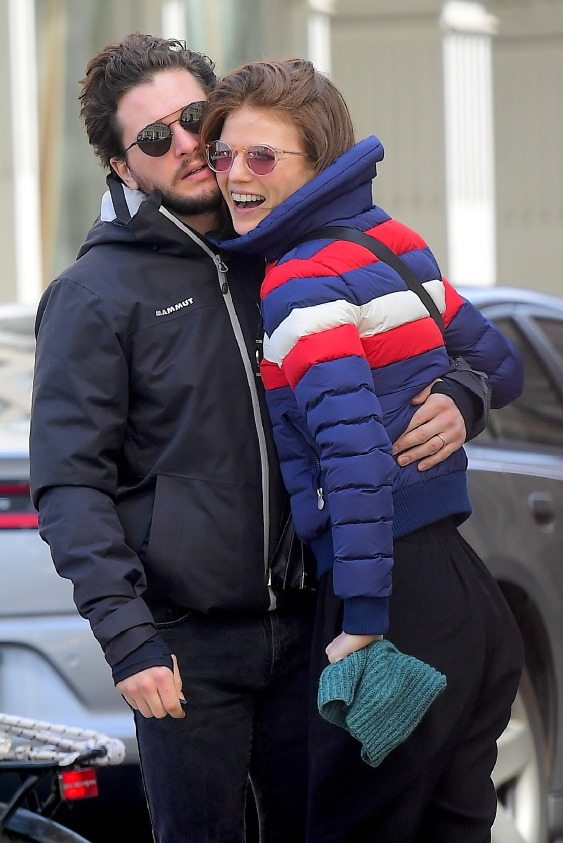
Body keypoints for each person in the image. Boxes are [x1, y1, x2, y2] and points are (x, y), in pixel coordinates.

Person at [29, 34, 486, 843]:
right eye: (154, 137)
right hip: (185, 651)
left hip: (322, 624)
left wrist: (463, 393)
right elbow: (69, 485)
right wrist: (128, 638)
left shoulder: (292, 251)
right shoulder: (93, 295)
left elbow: (441, 339)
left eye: (196, 119)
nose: (188, 146)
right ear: (120, 167)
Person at [200, 58, 525, 842]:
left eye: (261, 158)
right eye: (222, 156)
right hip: (465, 591)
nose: (233, 177)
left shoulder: (300, 281)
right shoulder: (385, 241)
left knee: (350, 826)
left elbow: (352, 459)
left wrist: (364, 621)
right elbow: (498, 363)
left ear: (317, 160)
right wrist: (461, 397)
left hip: (387, 598)